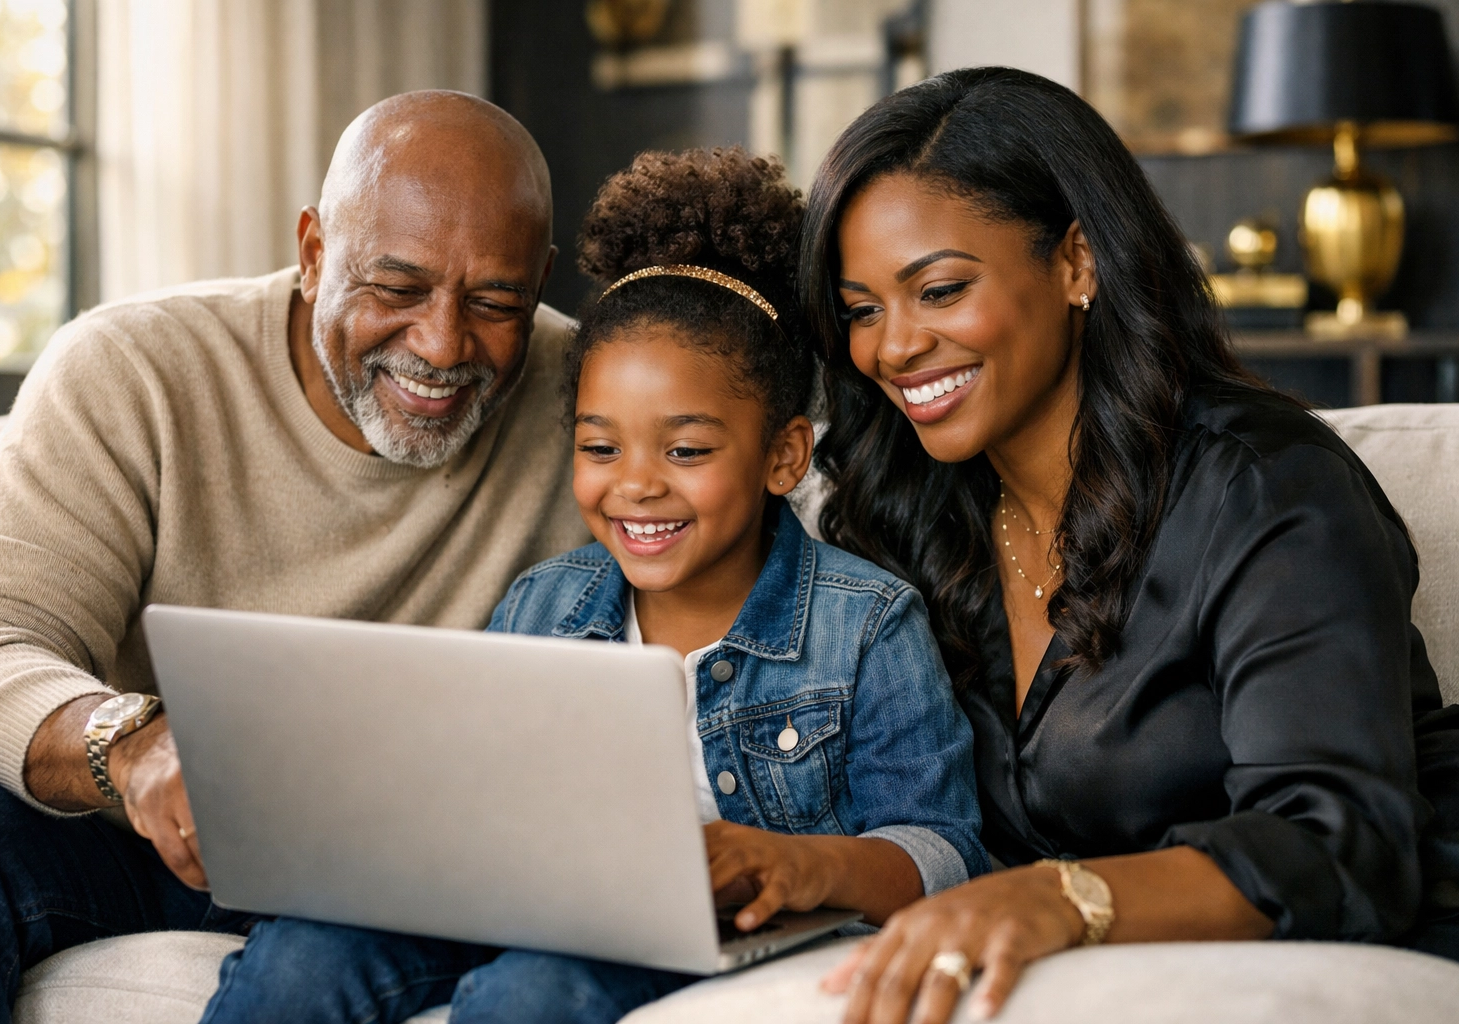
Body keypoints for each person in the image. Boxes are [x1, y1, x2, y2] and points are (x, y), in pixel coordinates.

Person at [193, 147, 990, 1024]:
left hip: (734, 933)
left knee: (531, 994)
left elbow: (944, 848)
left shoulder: (866, 623)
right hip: (537, 907)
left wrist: (802, 864)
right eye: (600, 447)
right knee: (304, 955)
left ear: (783, 456)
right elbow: (475, 801)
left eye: (686, 451)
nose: (636, 485)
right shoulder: (543, 605)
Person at [792, 67, 1459, 1024]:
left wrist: (1062, 898)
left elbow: (1338, 843)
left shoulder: (1265, 487)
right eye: (861, 309)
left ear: (1077, 262)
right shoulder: (915, 516)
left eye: (938, 289)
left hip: (1361, 953)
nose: (892, 348)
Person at [0, 91, 592, 1023]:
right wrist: (135, 748)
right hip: (155, 844)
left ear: (542, 280)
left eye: (495, 302)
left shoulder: (593, 403)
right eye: (396, 289)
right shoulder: (133, 369)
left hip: (404, 880)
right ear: (314, 255)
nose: (442, 346)